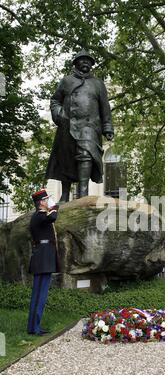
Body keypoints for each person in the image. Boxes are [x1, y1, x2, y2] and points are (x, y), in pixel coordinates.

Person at [46, 49, 114, 202]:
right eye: (82, 60)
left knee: (86, 155)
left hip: (90, 126)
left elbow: (105, 107)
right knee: (66, 158)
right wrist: (59, 114)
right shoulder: (66, 81)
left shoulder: (98, 84)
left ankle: (83, 194)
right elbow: (55, 100)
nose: (86, 62)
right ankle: (64, 195)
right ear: (76, 63)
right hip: (67, 125)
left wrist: (108, 127)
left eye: (88, 61)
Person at [27, 189, 60, 336]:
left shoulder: (39, 216)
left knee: (38, 294)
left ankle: (33, 326)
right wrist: (54, 206)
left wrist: (51, 207)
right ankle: (35, 328)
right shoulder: (39, 216)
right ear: (41, 202)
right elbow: (53, 217)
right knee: (40, 295)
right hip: (43, 259)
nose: (48, 202)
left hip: (42, 258)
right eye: (46, 199)